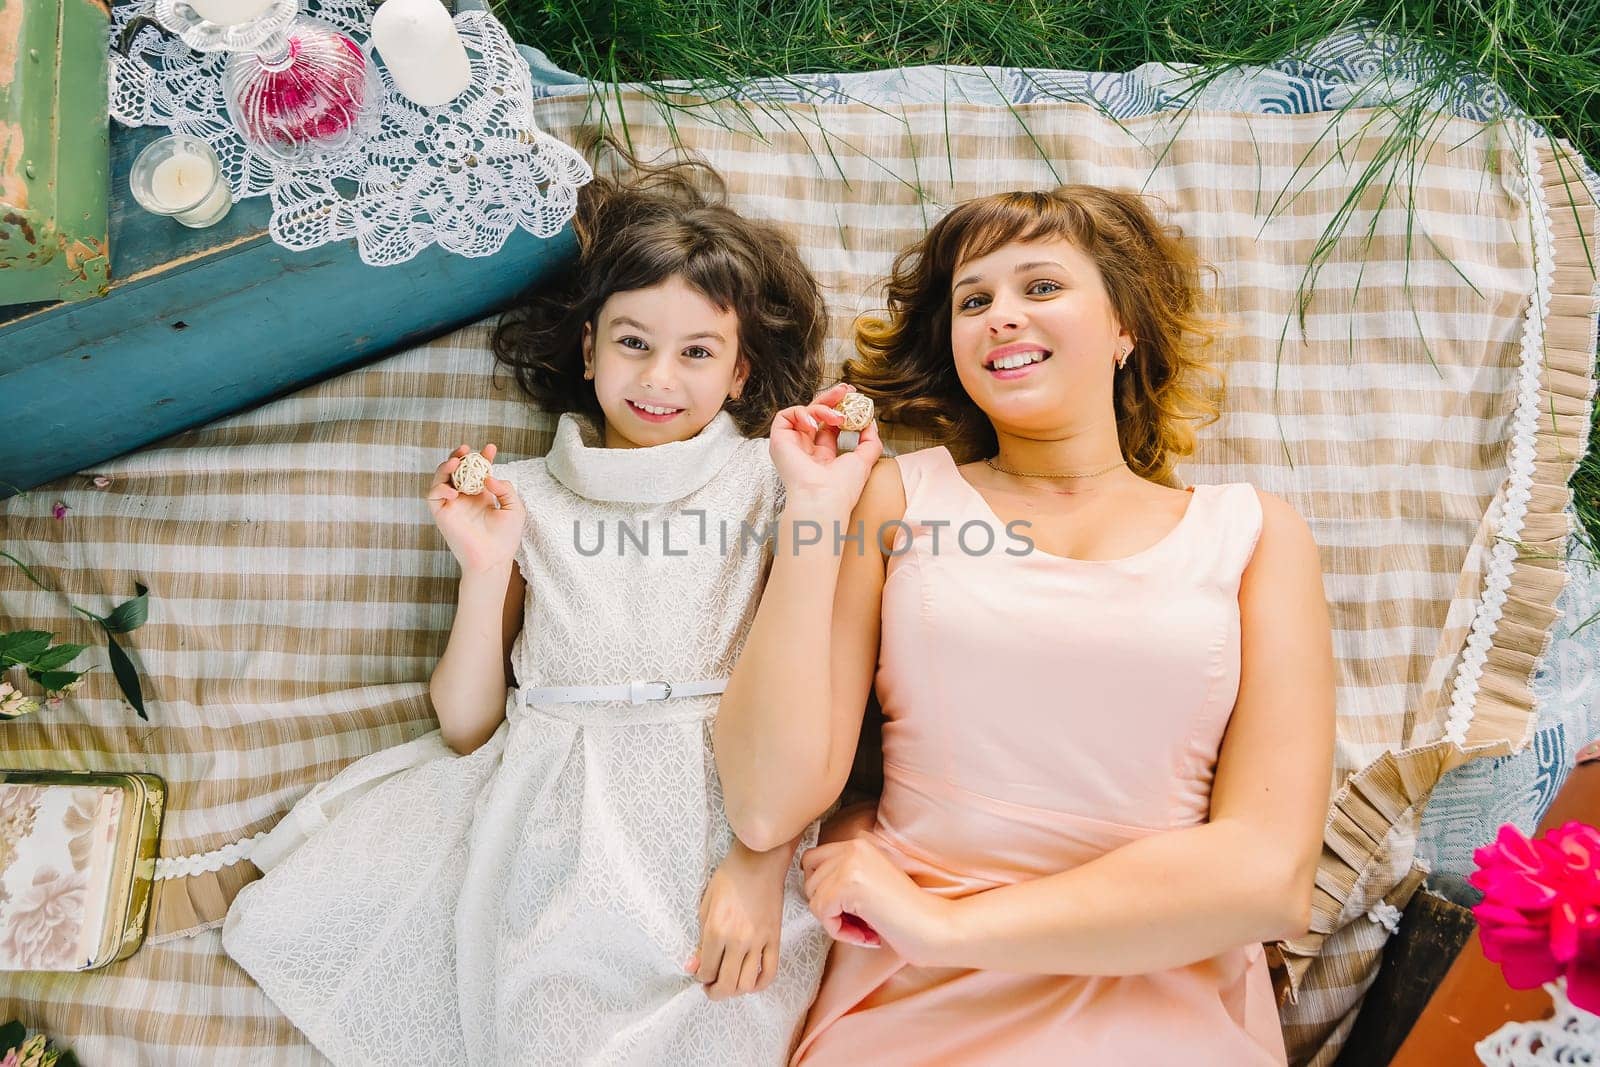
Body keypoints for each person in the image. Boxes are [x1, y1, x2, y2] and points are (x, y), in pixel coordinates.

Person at [222, 154, 846, 1065]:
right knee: (543, 1017)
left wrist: (764, 853)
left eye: (698, 352)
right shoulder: (522, 498)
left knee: (717, 1013)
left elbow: (812, 684)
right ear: (588, 349)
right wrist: (485, 567)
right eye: (633, 342)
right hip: (554, 815)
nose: (659, 377)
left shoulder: (777, 479)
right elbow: (469, 725)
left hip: (725, 804)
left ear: (743, 372)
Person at [714, 186, 1337, 1065]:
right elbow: (766, 796)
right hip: (911, 1002)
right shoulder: (898, 496)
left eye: (1040, 287)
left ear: (1126, 327)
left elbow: (1268, 876)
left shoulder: (1257, 534)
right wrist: (811, 515)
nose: (1001, 315)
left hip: (1159, 988)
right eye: (975, 301)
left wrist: (945, 924)